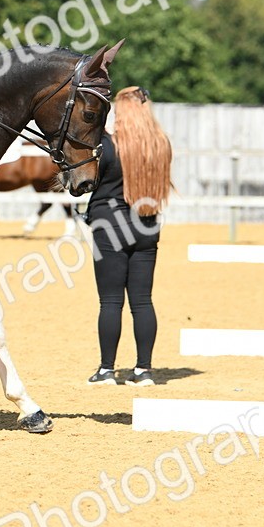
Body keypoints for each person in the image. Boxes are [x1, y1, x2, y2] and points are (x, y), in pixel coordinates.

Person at [84, 87, 172, 386]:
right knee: (143, 301)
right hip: (147, 224)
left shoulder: (107, 146)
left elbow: (86, 182)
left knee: (110, 301)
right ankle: (143, 370)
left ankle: (107, 370)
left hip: (109, 226)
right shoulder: (159, 145)